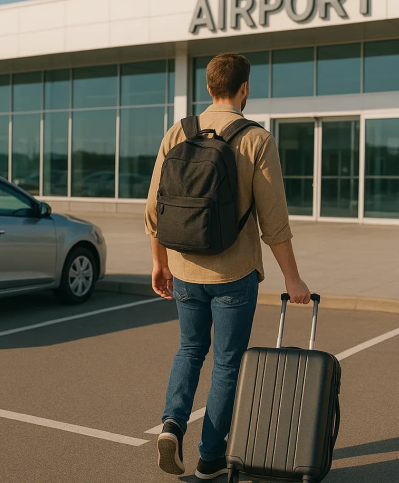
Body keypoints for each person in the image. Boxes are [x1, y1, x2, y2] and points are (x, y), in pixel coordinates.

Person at [144, 53, 312, 480]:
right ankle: (211, 459)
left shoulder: (178, 132)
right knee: (227, 363)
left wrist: (159, 263)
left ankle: (172, 424)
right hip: (234, 273)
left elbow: (153, 210)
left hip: (184, 268)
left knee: (189, 349)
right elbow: (275, 223)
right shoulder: (256, 140)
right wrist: (293, 279)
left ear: (207, 88)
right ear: (244, 89)